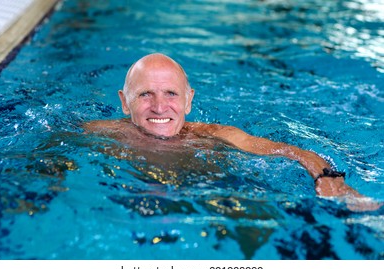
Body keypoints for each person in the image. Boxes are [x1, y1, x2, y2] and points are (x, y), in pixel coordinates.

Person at [84, 53, 381, 211]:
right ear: (124, 102)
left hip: (212, 195)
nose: (160, 107)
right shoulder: (101, 134)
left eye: (172, 94)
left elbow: (294, 152)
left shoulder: (216, 136)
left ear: (189, 100)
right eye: (145, 94)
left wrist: (331, 181)